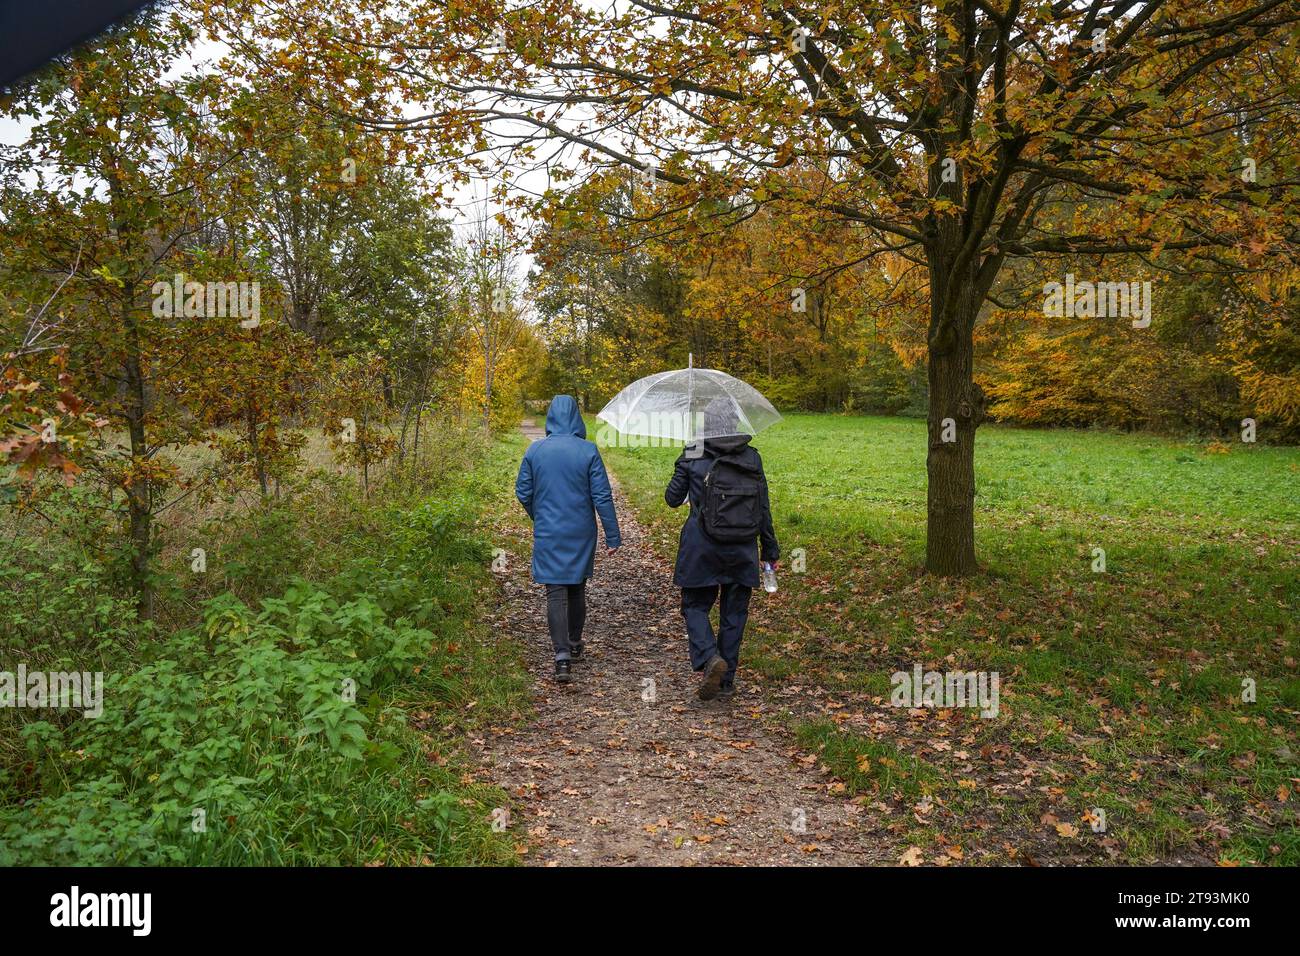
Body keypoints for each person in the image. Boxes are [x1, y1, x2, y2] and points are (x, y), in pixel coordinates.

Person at [665, 399, 779, 700]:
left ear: (706, 422)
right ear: (735, 423)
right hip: (742, 549)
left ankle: (708, 657)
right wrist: (770, 551)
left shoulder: (693, 451)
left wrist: (684, 463)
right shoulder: (752, 457)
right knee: (734, 614)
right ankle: (726, 681)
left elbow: (672, 498)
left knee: (694, 606)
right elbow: (763, 507)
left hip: (701, 547)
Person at [515, 395, 621, 684]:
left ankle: (561, 657)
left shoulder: (535, 451)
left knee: (555, 592)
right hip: (581, 531)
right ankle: (574, 643)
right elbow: (602, 496)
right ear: (576, 418)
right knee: (576, 588)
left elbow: (523, 492)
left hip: (550, 531)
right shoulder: (588, 451)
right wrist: (613, 535)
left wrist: (539, 515)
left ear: (550, 417)